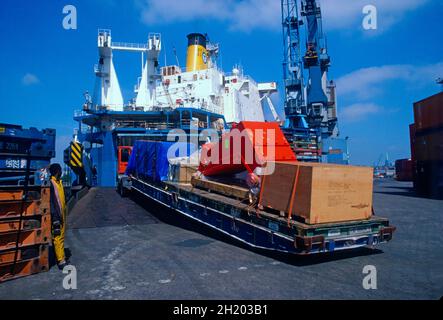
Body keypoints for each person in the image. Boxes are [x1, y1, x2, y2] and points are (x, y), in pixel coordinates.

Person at [49, 163, 69, 269]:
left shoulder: (59, 182)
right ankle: (61, 261)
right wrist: (55, 217)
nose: (61, 172)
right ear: (57, 171)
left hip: (62, 215)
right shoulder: (51, 184)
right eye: (60, 170)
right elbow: (51, 202)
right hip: (56, 216)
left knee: (61, 237)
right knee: (57, 237)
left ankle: (62, 256)